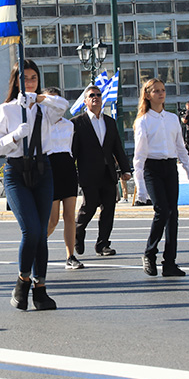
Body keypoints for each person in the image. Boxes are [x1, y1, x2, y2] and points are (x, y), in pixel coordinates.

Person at [0, 59, 67, 310]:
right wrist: (14, 135)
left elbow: (64, 105)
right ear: (16, 81)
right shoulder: (6, 110)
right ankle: (22, 280)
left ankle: (40, 289)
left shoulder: (45, 107)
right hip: (16, 170)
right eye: (25, 78)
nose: (30, 82)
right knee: (31, 230)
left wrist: (39, 99)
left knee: (41, 233)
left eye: (34, 78)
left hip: (43, 169)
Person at [134, 79, 189, 277]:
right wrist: (141, 188)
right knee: (161, 210)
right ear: (147, 95)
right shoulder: (143, 121)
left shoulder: (172, 119)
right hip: (152, 168)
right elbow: (139, 156)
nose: (161, 94)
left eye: (163, 90)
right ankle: (149, 253)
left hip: (170, 167)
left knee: (173, 215)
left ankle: (170, 262)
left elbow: (180, 147)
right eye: (156, 91)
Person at [72, 85, 132, 259]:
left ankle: (103, 244)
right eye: (91, 95)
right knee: (89, 207)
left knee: (109, 209)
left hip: (108, 173)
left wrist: (125, 170)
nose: (95, 98)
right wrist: (70, 173)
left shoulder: (110, 122)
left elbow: (118, 149)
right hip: (88, 174)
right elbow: (73, 152)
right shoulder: (77, 122)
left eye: (98, 95)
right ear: (85, 101)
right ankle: (78, 231)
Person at [42, 87, 82, 270]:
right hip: (49, 166)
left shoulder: (69, 125)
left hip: (67, 165)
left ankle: (70, 256)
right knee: (52, 219)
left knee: (69, 215)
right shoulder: (42, 124)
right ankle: (36, 243)